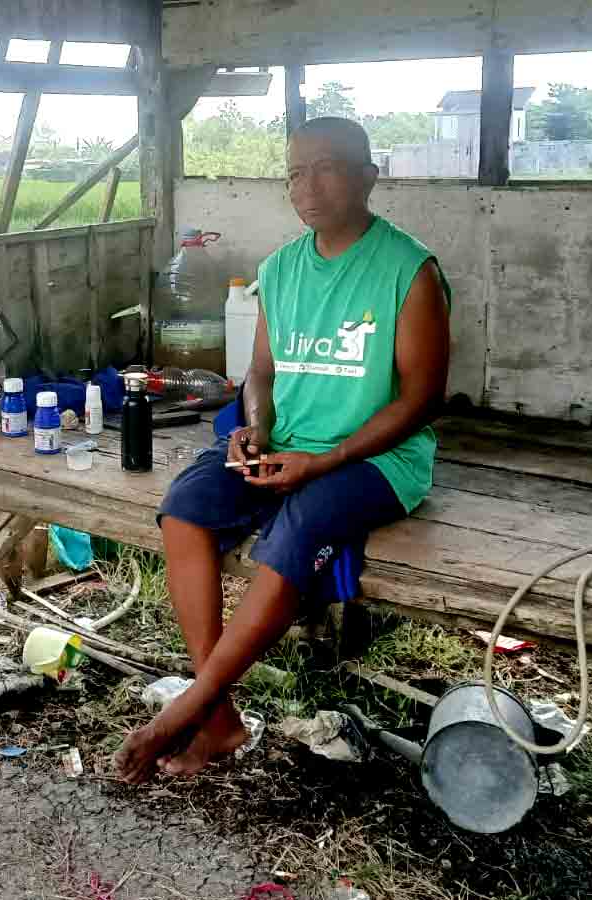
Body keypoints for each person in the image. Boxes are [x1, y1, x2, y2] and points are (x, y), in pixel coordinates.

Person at [115, 117, 452, 783]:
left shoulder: (408, 271)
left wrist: (323, 462)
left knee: (297, 528)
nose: (307, 185)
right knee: (185, 504)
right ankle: (219, 720)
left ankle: (187, 708)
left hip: (375, 459)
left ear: (367, 177)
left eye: (326, 167)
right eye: (295, 171)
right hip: (287, 444)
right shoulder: (282, 268)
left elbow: (423, 399)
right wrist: (254, 428)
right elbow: (261, 375)